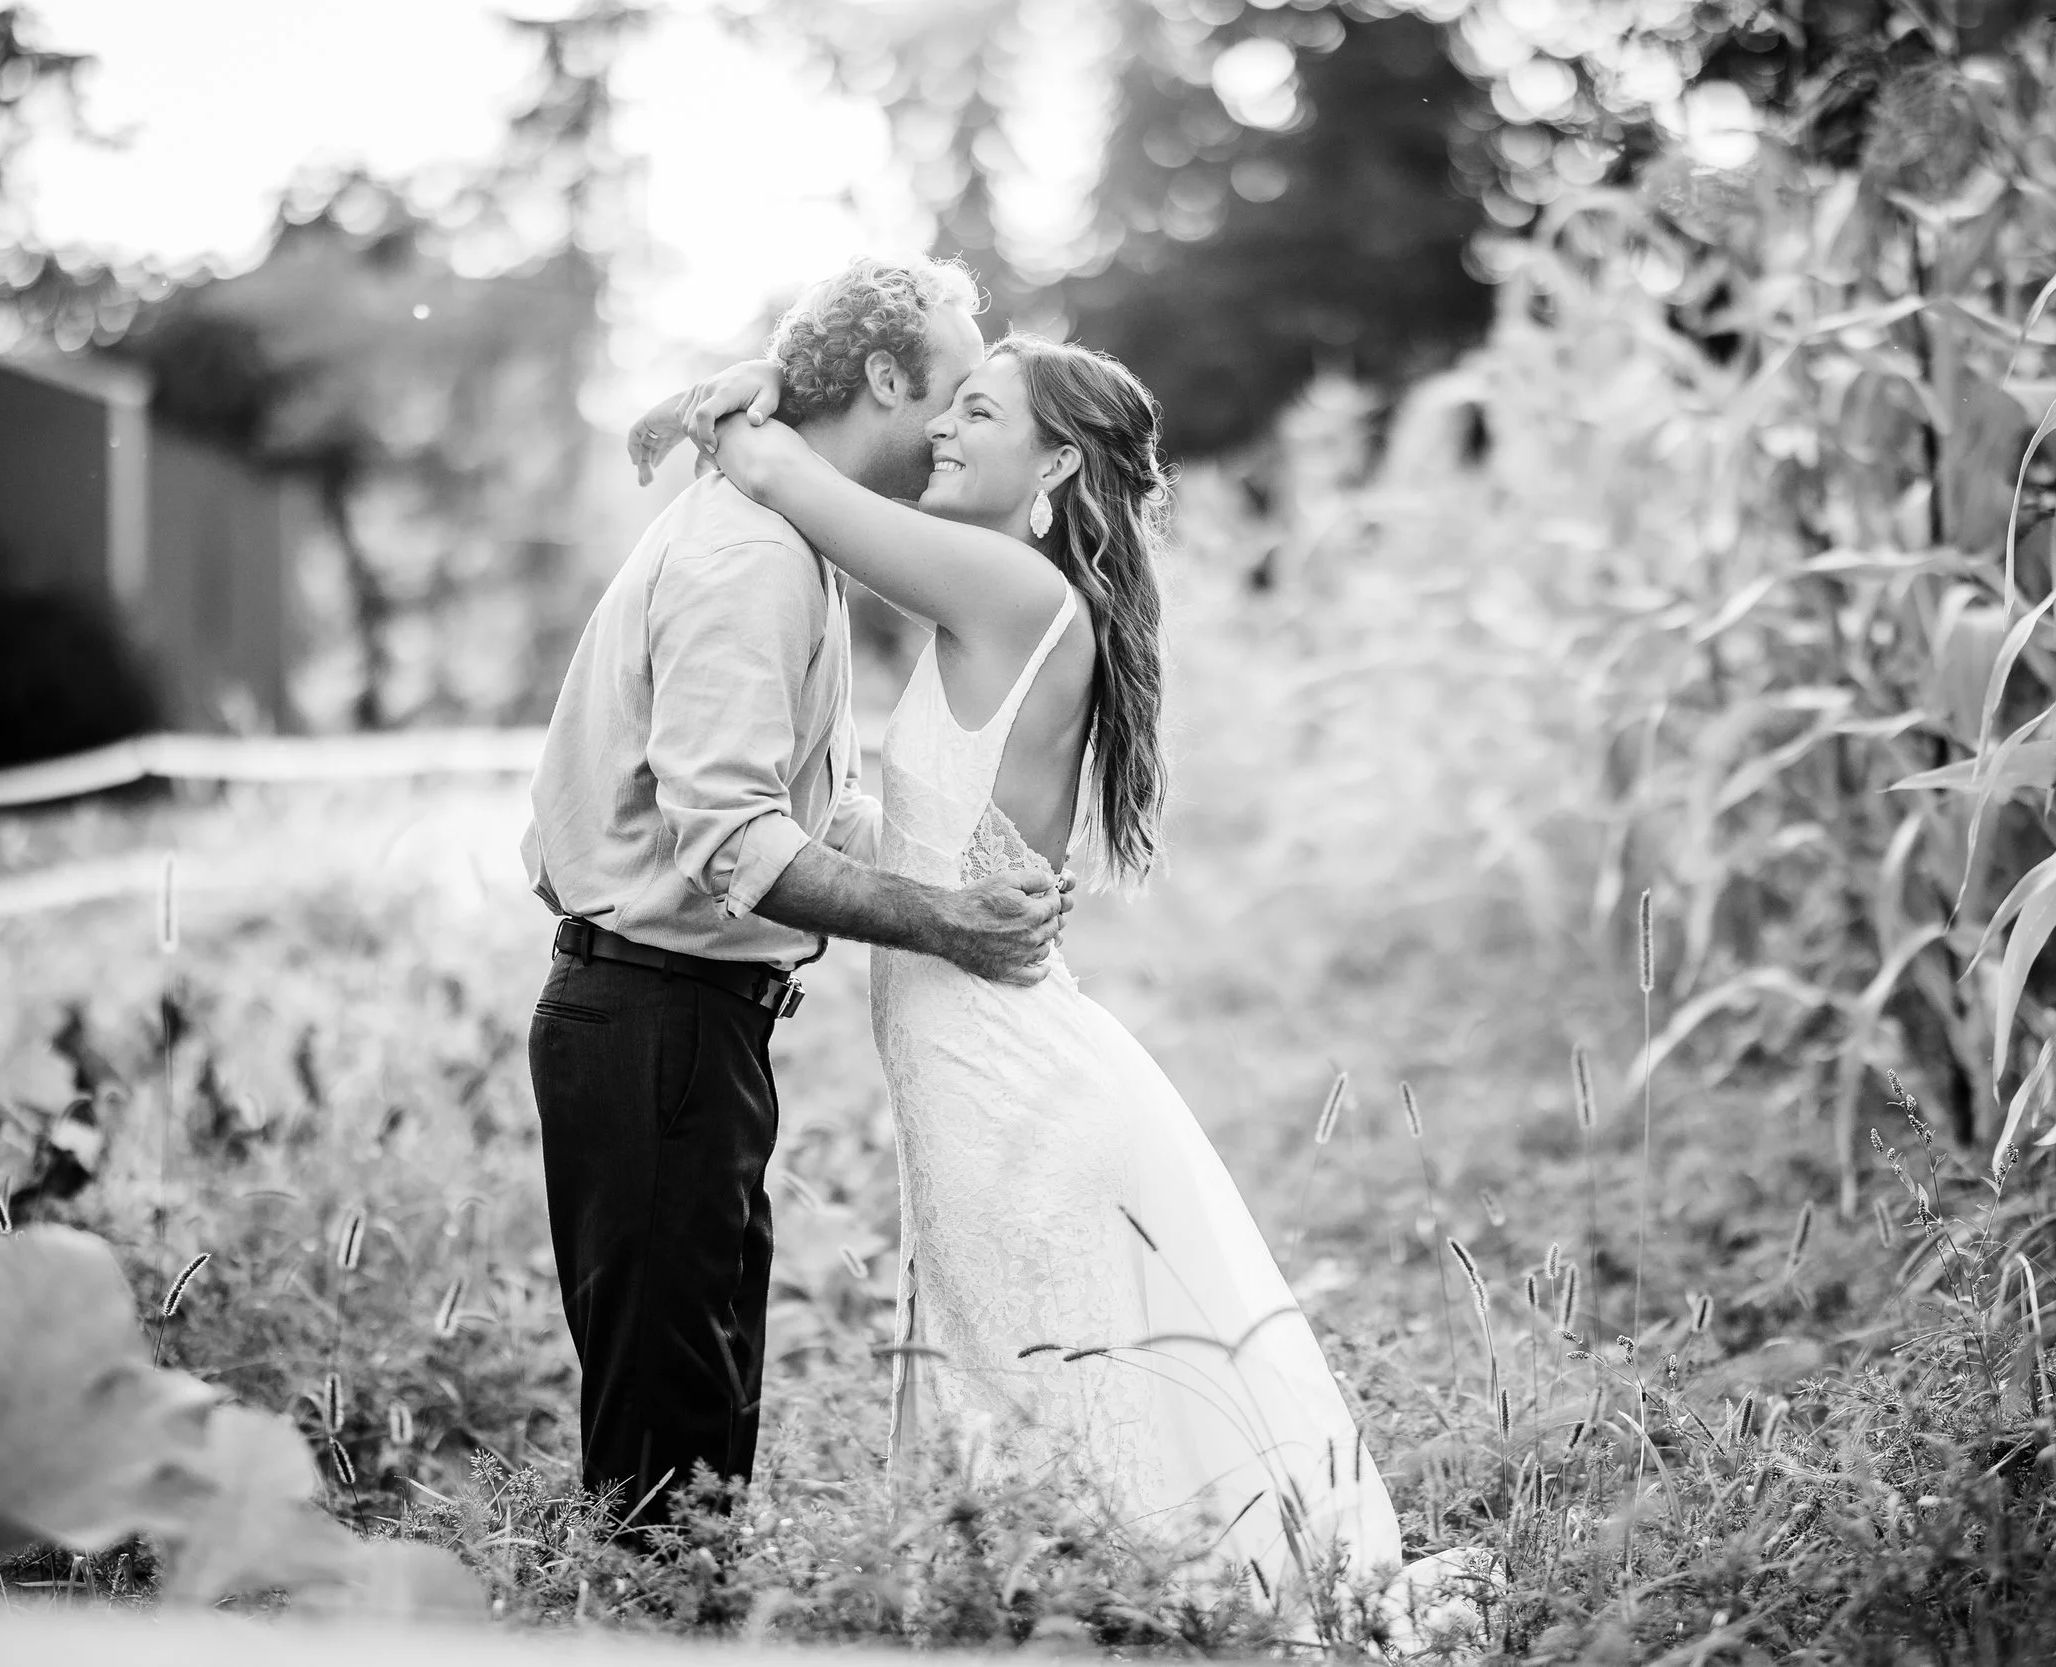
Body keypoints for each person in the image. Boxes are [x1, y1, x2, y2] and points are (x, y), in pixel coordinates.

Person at [629, 317, 1406, 1599]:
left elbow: (778, 475)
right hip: (981, 1066)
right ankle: (1058, 1606)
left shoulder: (1012, 591)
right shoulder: (1003, 601)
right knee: (1018, 1374)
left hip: (1005, 1079)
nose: (942, 427)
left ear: (1053, 469)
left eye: (979, 413)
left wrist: (751, 384)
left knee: (1031, 1378)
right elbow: (932, 833)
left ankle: (1097, 1611)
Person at [522, 254, 1072, 1531]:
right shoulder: (752, 561)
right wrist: (946, 925)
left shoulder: (792, 534)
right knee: (667, 1458)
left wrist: (954, 854)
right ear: (884, 377)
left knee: (697, 1413)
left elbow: (801, 811)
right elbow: (739, 844)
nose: (951, 425)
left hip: (688, 1022)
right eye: (945, 392)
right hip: (652, 1021)